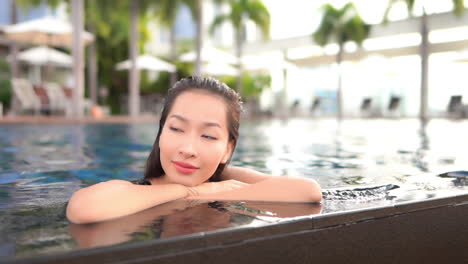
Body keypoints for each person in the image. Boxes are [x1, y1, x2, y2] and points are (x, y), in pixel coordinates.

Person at [66, 76, 322, 224]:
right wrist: (194, 192)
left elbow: (307, 191)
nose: (188, 149)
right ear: (161, 132)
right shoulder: (139, 189)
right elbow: (82, 208)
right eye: (176, 129)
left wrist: (213, 191)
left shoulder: (225, 179)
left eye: (208, 135)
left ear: (227, 149)